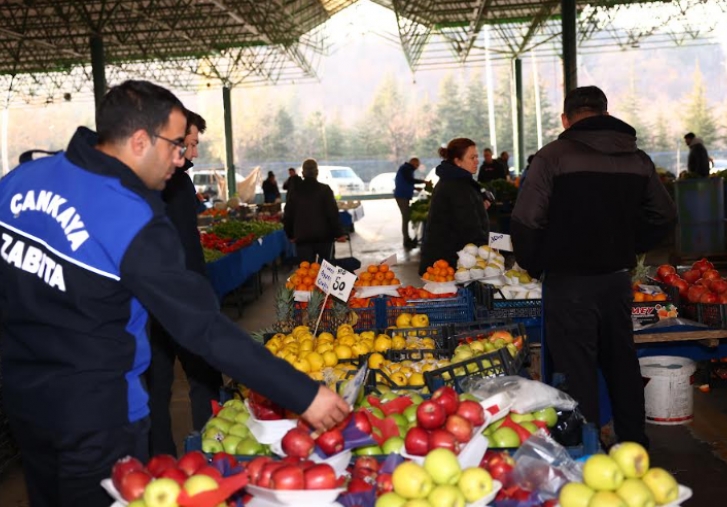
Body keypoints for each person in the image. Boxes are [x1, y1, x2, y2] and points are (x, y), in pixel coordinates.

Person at [0, 80, 350, 507]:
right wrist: (303, 394)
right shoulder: (132, 218)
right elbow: (202, 328)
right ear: (140, 140)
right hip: (96, 416)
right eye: (176, 146)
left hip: (23, 399)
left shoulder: (21, 179)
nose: (182, 159)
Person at [511, 85, 676, 449]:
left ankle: (584, 451)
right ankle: (634, 443)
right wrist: (630, 246)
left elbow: (525, 221)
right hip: (616, 281)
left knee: (576, 369)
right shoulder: (638, 159)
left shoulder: (552, 156)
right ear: (605, 112)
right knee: (622, 362)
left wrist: (537, 265)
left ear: (566, 119)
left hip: (568, 283)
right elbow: (664, 215)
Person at [146, 110, 223, 457]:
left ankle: (161, 461)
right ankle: (208, 453)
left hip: (152, 302)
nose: (194, 153)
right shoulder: (172, 184)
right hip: (179, 300)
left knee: (156, 386)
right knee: (204, 377)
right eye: (190, 144)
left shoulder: (166, 182)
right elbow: (185, 251)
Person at [419, 139, 490, 274]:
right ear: (458, 161)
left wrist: (478, 206)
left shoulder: (458, 181)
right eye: (472, 157)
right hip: (448, 264)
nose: (477, 161)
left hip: (451, 260)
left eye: (477, 156)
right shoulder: (456, 186)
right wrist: (487, 251)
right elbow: (469, 227)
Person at [284, 158, 347, 263]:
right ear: (317, 172)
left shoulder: (295, 191)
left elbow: (288, 214)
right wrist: (339, 233)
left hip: (302, 238)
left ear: (303, 173)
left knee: (306, 274)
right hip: (325, 237)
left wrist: (290, 234)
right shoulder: (325, 190)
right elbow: (332, 214)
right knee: (327, 272)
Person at [394, 157, 425, 249]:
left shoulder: (406, 168)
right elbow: (410, 180)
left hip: (403, 196)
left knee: (406, 218)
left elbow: (405, 182)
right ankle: (406, 240)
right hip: (401, 196)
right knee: (406, 217)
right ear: (413, 163)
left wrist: (414, 188)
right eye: (417, 165)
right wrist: (423, 181)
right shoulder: (406, 169)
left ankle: (407, 239)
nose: (417, 167)